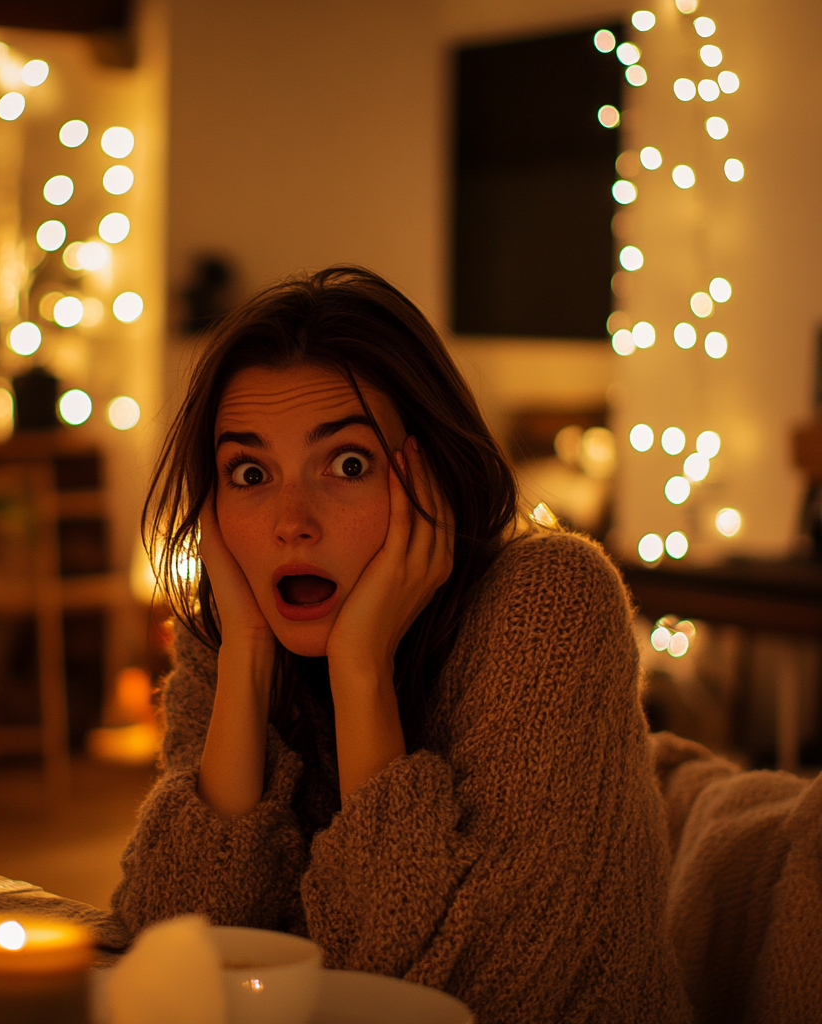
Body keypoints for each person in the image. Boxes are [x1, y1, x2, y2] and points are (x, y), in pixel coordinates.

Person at [112, 266, 692, 1022]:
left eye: (347, 464)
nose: (292, 520)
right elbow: (169, 957)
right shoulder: (228, 633)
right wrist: (247, 658)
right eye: (250, 472)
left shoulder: (550, 603)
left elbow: (459, 1000)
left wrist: (361, 673)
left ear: (435, 476)